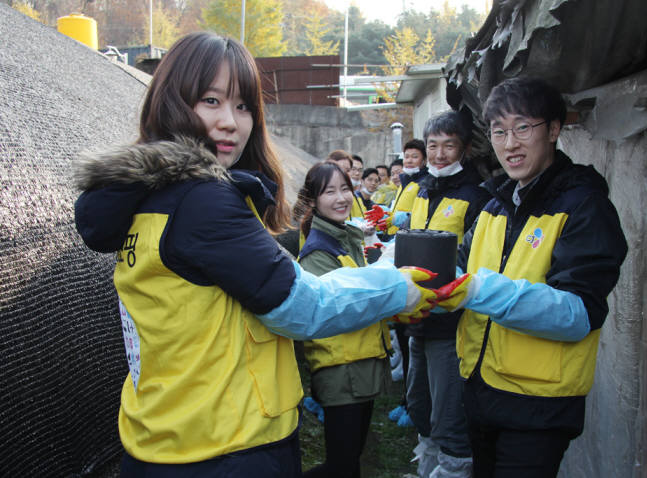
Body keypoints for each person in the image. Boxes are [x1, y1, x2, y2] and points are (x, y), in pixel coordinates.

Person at [72, 32, 443, 477]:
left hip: (163, 440)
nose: (232, 121)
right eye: (211, 100)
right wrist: (394, 284)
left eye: (244, 105)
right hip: (229, 449)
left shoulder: (147, 198)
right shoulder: (202, 201)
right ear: (171, 102)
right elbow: (305, 308)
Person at [435, 77, 628, 477]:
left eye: (523, 127)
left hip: (538, 406)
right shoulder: (497, 203)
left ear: (554, 130)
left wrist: (478, 289)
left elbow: (578, 314)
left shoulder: (584, 206)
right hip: (480, 388)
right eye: (499, 131)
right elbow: (457, 267)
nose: (510, 144)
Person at [401, 111, 491, 478]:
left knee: (448, 413)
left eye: (448, 145)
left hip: (452, 322)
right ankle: (428, 466)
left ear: (464, 149)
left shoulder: (475, 195)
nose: (439, 154)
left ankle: (453, 468)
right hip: (418, 315)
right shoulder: (423, 188)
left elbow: (477, 259)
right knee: (418, 403)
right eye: (433, 145)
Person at [297, 161, 391, 478]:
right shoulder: (317, 252)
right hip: (340, 369)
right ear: (313, 201)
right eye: (329, 192)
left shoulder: (347, 235)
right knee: (342, 466)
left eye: (344, 189)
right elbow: (340, 309)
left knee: (350, 460)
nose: (341, 198)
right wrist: (389, 288)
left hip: (359, 362)